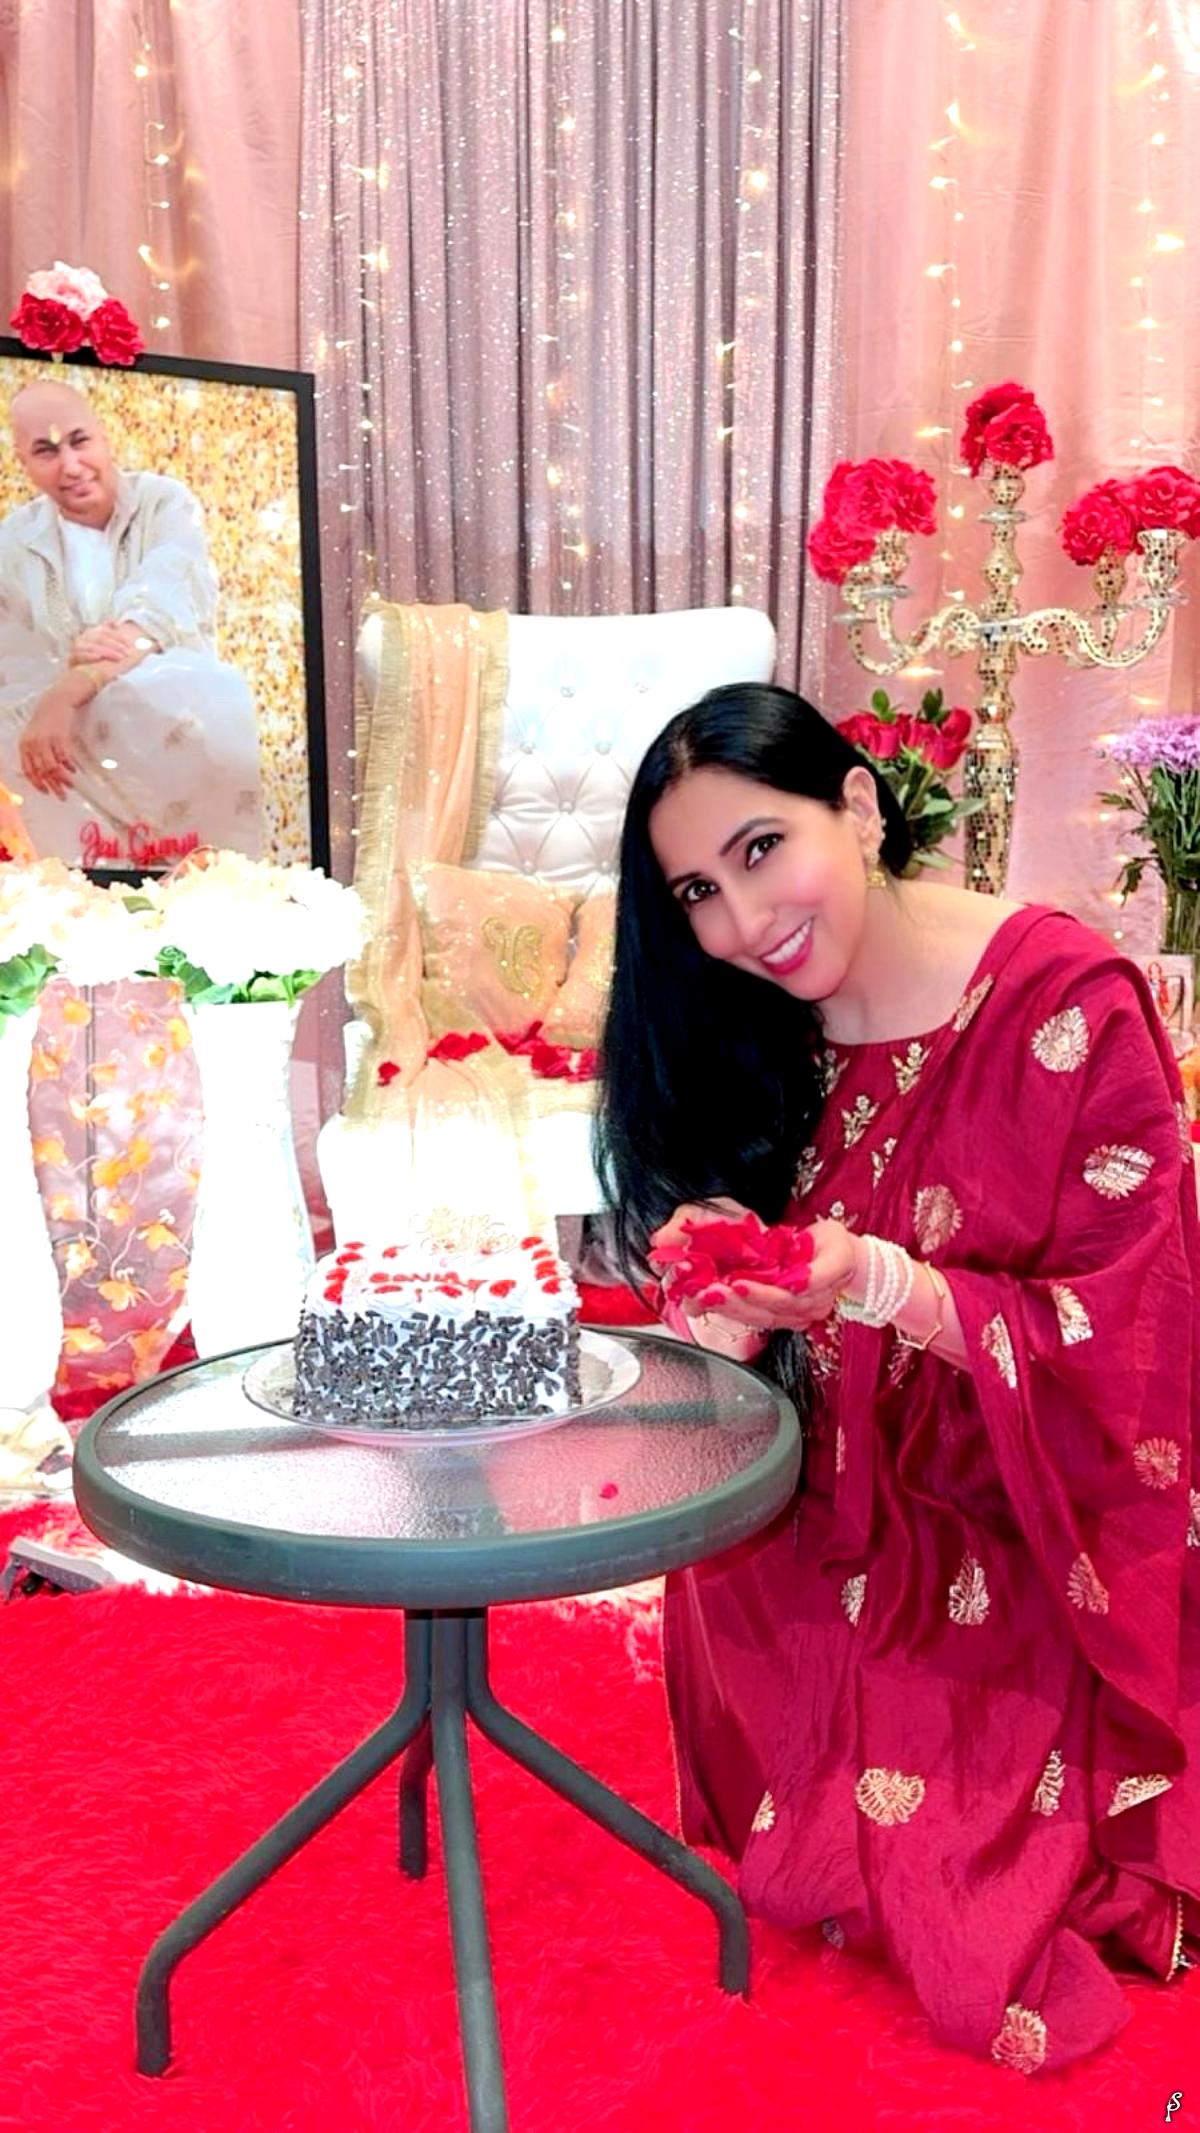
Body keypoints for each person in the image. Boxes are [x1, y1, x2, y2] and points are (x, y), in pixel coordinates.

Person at [595, 681, 1200, 2076]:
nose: (745, 922)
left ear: (859, 806)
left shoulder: (1064, 1002)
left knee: (959, 1881)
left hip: (1025, 1504)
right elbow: (750, 1308)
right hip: (829, 1474)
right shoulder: (749, 1017)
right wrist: (727, 1295)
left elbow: (1138, 1339)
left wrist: (880, 1284)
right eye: (698, 892)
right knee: (740, 1557)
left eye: (762, 849)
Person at [0, 379, 263, 868]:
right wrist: (54, 697)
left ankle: (215, 880)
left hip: (162, 720)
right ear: (24, 463)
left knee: (207, 685)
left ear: (104, 437)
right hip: (66, 745)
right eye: (46, 451)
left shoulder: (163, 502)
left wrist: (73, 687)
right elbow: (15, 662)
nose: (71, 466)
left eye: (79, 441)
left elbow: (163, 599)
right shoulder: (14, 541)